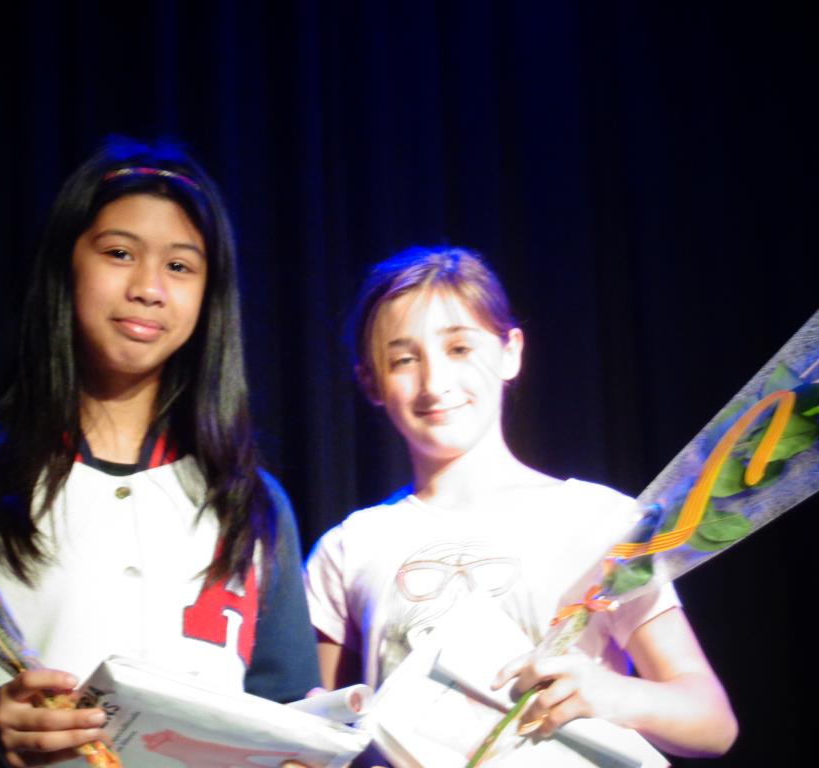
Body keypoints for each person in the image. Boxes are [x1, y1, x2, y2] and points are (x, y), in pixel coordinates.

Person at [0, 137, 319, 768]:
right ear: (66, 266)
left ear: (210, 296)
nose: (149, 288)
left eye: (180, 266)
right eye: (119, 253)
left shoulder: (251, 503)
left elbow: (286, 717)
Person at [304, 246, 737, 762]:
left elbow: (713, 722)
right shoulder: (350, 546)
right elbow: (323, 732)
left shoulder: (601, 520)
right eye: (403, 360)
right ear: (371, 382)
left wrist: (611, 693)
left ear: (510, 351)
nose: (434, 383)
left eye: (459, 348)